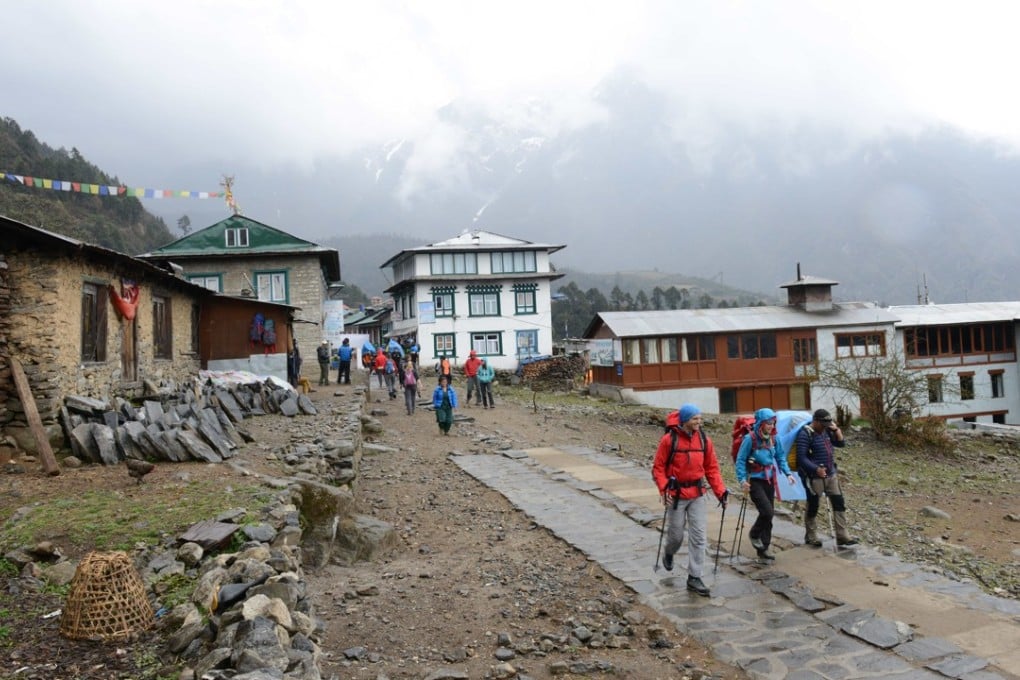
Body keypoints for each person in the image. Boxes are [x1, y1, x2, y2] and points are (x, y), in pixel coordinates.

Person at [651, 404, 728, 597]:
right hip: (676, 495)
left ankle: (695, 577)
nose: (699, 422)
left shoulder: (704, 440)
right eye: (695, 419)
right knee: (676, 535)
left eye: (700, 419)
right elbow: (658, 468)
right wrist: (664, 487)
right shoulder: (669, 440)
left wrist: (720, 492)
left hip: (697, 494)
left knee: (699, 536)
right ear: (685, 420)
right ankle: (669, 552)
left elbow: (711, 468)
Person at [735, 408, 797, 561]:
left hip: (769, 480)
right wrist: (742, 480)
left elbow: (781, 456)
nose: (771, 425)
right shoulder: (750, 439)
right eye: (768, 422)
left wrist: (788, 473)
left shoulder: (774, 439)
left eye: (773, 422)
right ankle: (754, 534)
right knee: (767, 512)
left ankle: (764, 549)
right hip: (754, 480)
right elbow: (741, 460)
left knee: (768, 517)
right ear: (761, 423)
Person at [796, 409, 859, 548]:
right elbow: (801, 457)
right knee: (813, 505)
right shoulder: (804, 434)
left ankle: (842, 536)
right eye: (823, 423)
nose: (826, 426)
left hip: (831, 474)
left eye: (828, 423)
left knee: (839, 502)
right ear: (816, 421)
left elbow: (841, 444)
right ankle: (811, 536)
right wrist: (815, 469)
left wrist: (837, 431)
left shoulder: (826, 431)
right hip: (813, 477)